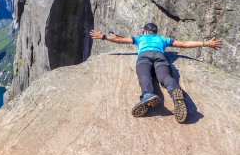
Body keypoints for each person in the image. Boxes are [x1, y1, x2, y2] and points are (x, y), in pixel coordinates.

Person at [90, 23, 222, 123]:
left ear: (145, 31)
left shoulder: (141, 38)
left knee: (144, 75)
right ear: (155, 31)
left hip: (144, 57)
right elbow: (183, 44)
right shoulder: (162, 39)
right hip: (160, 56)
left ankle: (147, 95)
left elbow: (120, 40)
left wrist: (103, 36)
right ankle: (175, 91)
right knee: (165, 77)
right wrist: (206, 43)